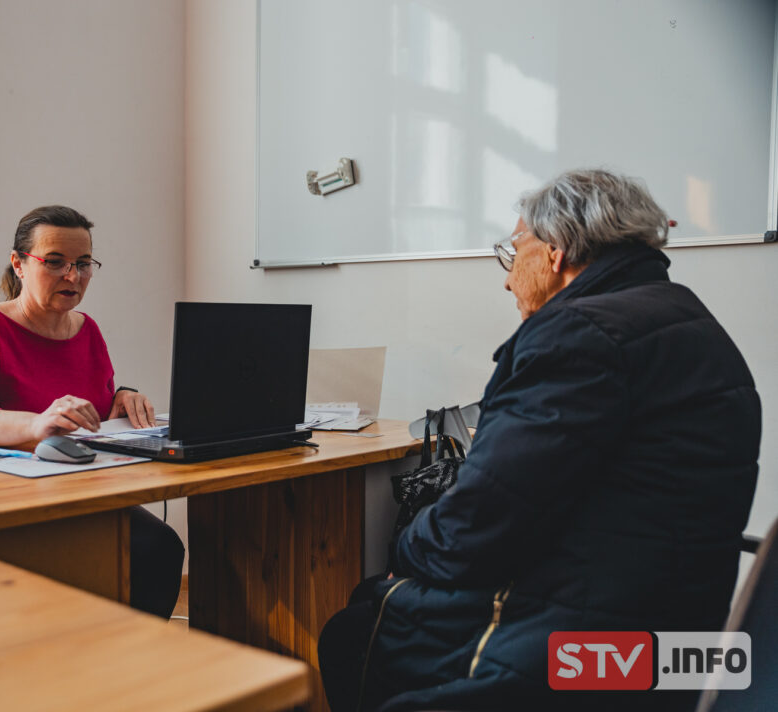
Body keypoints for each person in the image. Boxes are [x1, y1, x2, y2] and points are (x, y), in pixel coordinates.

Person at [318, 169, 761, 711]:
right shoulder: (691, 322)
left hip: (581, 653)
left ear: (557, 250)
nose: (508, 279)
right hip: (674, 641)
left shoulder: (578, 334)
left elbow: (478, 525)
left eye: (514, 248)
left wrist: (405, 550)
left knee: (356, 627)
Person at [0, 205, 184, 619]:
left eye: (83, 264)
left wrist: (121, 396)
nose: (73, 276)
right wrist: (35, 423)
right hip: (6, 497)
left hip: (82, 489)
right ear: (19, 264)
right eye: (55, 263)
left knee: (159, 549)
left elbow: (91, 414)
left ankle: (133, 667)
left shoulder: (87, 330)